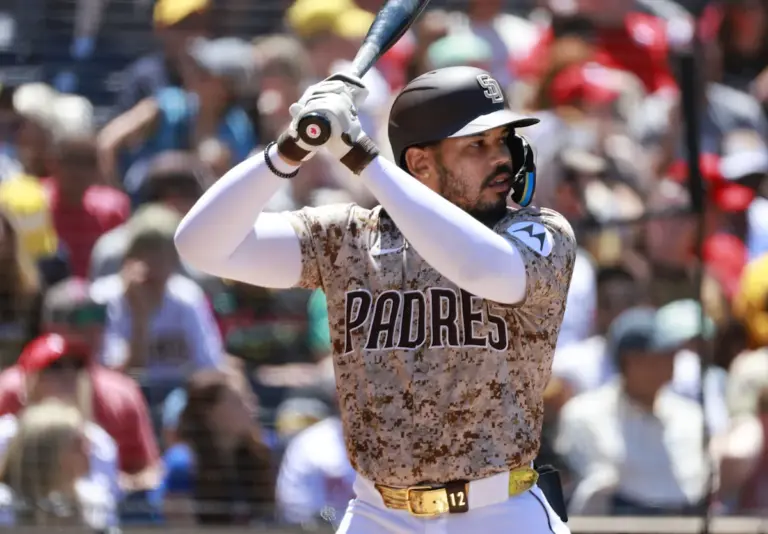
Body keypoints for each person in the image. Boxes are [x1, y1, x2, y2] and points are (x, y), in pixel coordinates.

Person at [175, 66, 576, 533]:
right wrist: (291, 147)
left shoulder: (536, 231)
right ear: (420, 164)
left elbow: (482, 269)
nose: (503, 157)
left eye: (503, 140)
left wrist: (360, 156)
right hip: (377, 512)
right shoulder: (351, 238)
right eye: (477, 145)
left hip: (500, 512)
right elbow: (200, 244)